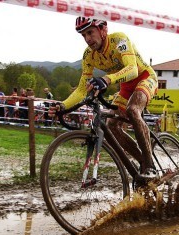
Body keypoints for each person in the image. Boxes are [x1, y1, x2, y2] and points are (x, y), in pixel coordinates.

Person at [50, 17, 159, 180]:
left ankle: (150, 166)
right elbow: (81, 89)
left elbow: (132, 69)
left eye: (90, 32)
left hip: (144, 77)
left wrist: (107, 79)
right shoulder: (89, 55)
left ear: (103, 29)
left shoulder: (119, 40)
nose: (87, 39)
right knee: (111, 125)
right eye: (83, 35)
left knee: (132, 110)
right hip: (126, 87)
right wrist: (63, 105)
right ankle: (142, 161)